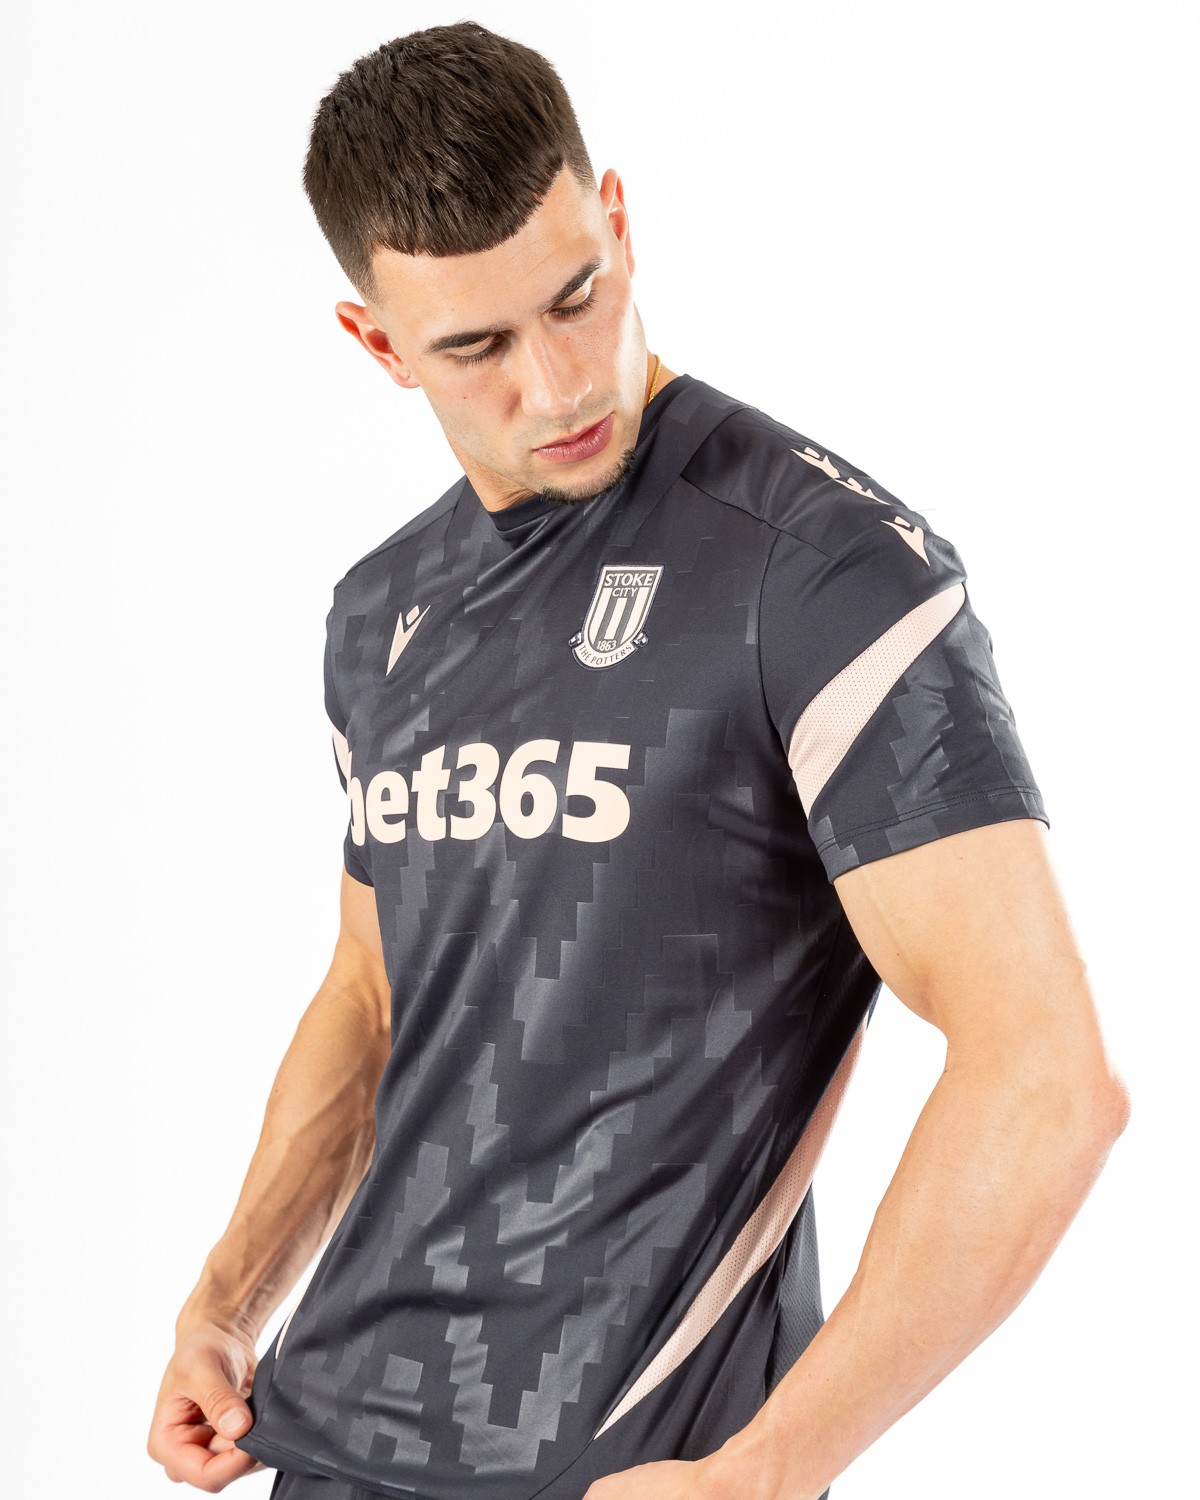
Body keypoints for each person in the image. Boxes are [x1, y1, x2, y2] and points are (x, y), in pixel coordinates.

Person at [147, 20, 1130, 1500]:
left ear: (615, 216)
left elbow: (1047, 1071)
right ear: (378, 345)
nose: (558, 384)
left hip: (630, 1465)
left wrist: (773, 1467)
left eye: (577, 297)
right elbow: (373, 994)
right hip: (327, 1438)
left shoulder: (822, 575)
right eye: (476, 347)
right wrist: (228, 1304)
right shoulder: (379, 612)